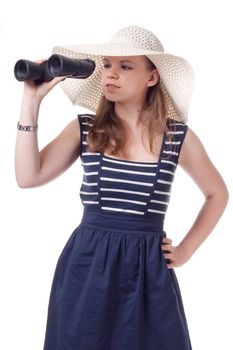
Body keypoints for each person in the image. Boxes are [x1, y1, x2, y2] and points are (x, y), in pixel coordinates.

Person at [15, 26, 228, 350]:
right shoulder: (85, 129)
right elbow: (28, 177)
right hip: (87, 267)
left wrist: (185, 251)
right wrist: (31, 102)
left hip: (148, 273)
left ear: (152, 78)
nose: (111, 74)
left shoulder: (177, 138)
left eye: (125, 66)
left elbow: (218, 194)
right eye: (108, 65)